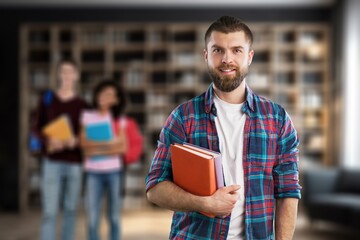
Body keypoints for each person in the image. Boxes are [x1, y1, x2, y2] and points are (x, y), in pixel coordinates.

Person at [145, 16, 301, 240]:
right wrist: (204, 203)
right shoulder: (182, 117)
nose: (227, 59)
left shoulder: (277, 119)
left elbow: (288, 191)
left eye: (236, 50)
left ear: (249, 56)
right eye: (218, 50)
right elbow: (155, 187)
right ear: (206, 55)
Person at [31, 59, 88, 240]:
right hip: (52, 162)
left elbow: (88, 135)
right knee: (50, 210)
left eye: (70, 71)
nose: (67, 75)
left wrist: (77, 141)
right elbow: (35, 128)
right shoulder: (48, 100)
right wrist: (49, 139)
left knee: (71, 209)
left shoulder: (83, 105)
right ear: (58, 75)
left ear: (76, 75)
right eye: (63, 71)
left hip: (74, 163)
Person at [80, 80, 142, 240]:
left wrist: (96, 147)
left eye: (109, 95)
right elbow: (85, 148)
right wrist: (109, 144)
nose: (104, 97)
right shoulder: (87, 116)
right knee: (92, 219)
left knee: (114, 217)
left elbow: (121, 149)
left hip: (114, 172)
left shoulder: (120, 120)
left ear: (116, 100)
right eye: (102, 93)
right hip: (93, 173)